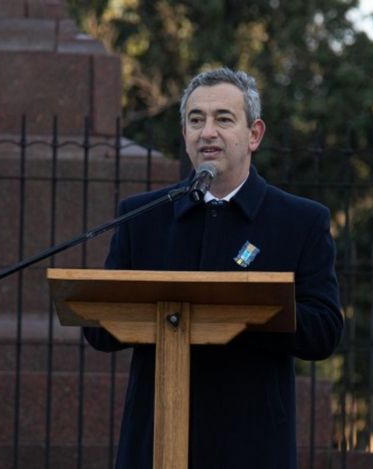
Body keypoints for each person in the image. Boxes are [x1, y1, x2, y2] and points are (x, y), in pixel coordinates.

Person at [83, 67, 343, 469]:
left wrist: (249, 310)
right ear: (184, 134)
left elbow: (324, 331)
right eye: (196, 120)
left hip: (251, 442)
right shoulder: (143, 216)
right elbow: (99, 330)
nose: (207, 132)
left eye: (224, 119)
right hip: (155, 442)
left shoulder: (299, 222)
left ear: (254, 134)